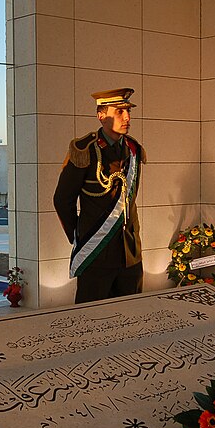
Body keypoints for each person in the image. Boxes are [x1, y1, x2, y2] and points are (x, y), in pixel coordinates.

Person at [53, 87, 146, 303]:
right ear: (101, 115)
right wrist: (79, 234)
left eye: (128, 112)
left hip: (129, 253)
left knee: (132, 316)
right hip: (96, 251)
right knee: (91, 319)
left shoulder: (133, 150)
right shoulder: (85, 150)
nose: (127, 118)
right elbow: (62, 200)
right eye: (120, 112)